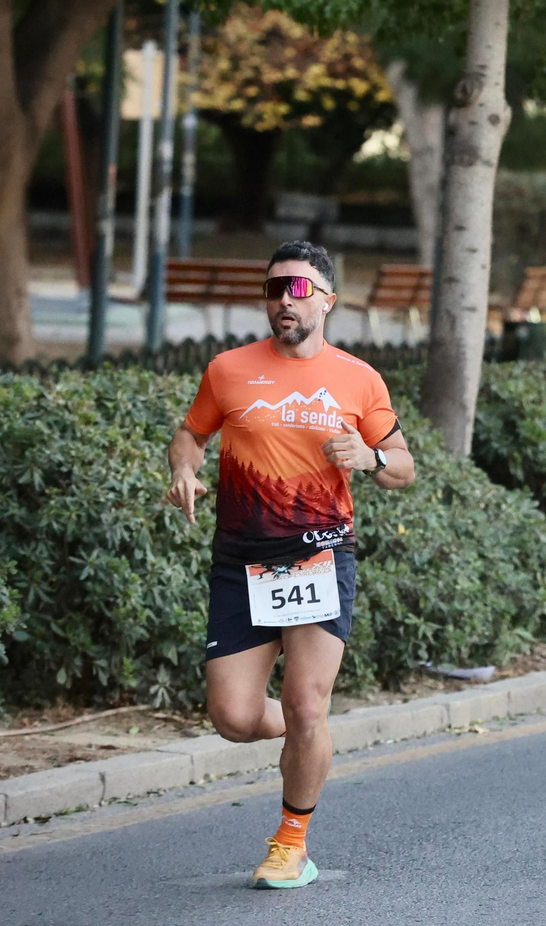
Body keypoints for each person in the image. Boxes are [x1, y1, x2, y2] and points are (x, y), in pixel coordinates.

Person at [165, 241, 416, 890]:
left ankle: (290, 840)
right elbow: (192, 434)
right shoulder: (228, 369)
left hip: (319, 557)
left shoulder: (359, 378)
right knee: (235, 717)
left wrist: (369, 458)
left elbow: (404, 467)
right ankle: (309, 733)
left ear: (328, 300)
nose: (284, 299)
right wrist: (184, 471)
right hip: (241, 562)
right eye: (275, 288)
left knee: (306, 702)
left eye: (299, 289)